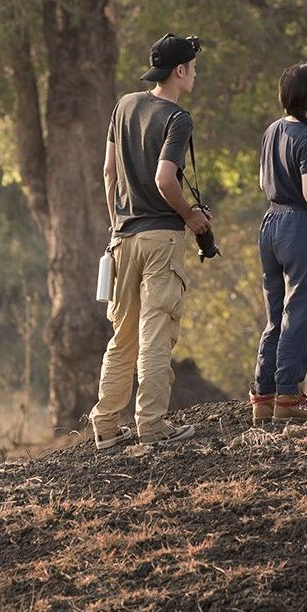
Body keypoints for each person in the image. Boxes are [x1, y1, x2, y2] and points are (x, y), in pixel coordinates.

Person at [90, 33, 207, 449]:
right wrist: (191, 216)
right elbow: (164, 178)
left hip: (123, 236)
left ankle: (105, 426)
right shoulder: (178, 118)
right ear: (180, 71)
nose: (195, 74)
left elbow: (108, 172)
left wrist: (117, 222)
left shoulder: (124, 105)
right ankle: (152, 425)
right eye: (193, 67)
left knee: (122, 336)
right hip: (161, 237)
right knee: (156, 332)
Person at [251, 64, 307, 424]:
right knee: (301, 312)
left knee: (276, 315)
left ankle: (264, 394)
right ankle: (289, 394)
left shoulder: (272, 130)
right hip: (301, 227)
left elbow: (264, 181)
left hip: (271, 222)